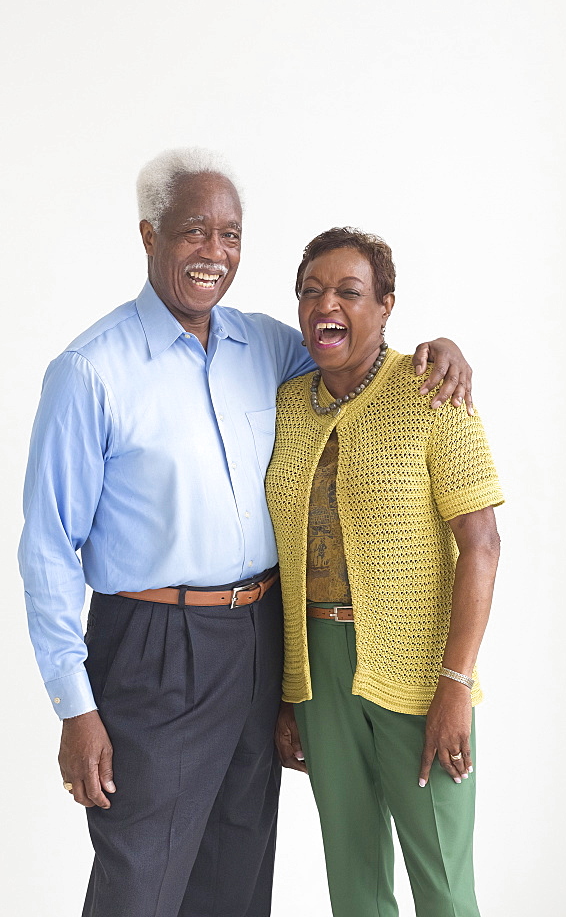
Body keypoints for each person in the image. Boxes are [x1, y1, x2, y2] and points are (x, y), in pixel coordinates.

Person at [18, 150, 475, 917]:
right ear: (148, 235)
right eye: (194, 231)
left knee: (236, 868)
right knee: (140, 878)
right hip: (153, 644)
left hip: (261, 637)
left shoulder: (265, 346)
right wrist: (74, 706)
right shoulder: (90, 370)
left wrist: (442, 349)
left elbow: (357, 355)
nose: (215, 253)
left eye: (230, 235)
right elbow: (46, 547)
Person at [269, 227, 504, 917]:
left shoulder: (432, 389)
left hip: (418, 669)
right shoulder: (287, 403)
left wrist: (456, 684)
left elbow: (483, 543)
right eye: (310, 292)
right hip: (317, 670)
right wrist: (288, 691)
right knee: (354, 879)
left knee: (443, 886)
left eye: (348, 291)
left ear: (387, 305)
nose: (325, 306)